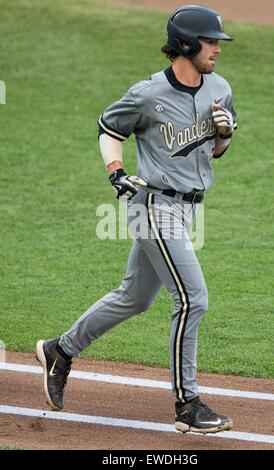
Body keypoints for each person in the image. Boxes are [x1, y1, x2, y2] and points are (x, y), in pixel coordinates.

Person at [36, 4, 237, 435]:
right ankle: (188, 404)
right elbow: (109, 127)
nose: (217, 49)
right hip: (153, 206)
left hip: (188, 209)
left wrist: (223, 135)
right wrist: (115, 172)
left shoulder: (219, 87)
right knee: (192, 298)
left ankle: (60, 349)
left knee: (135, 297)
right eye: (210, 41)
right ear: (185, 43)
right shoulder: (148, 94)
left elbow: (215, 153)